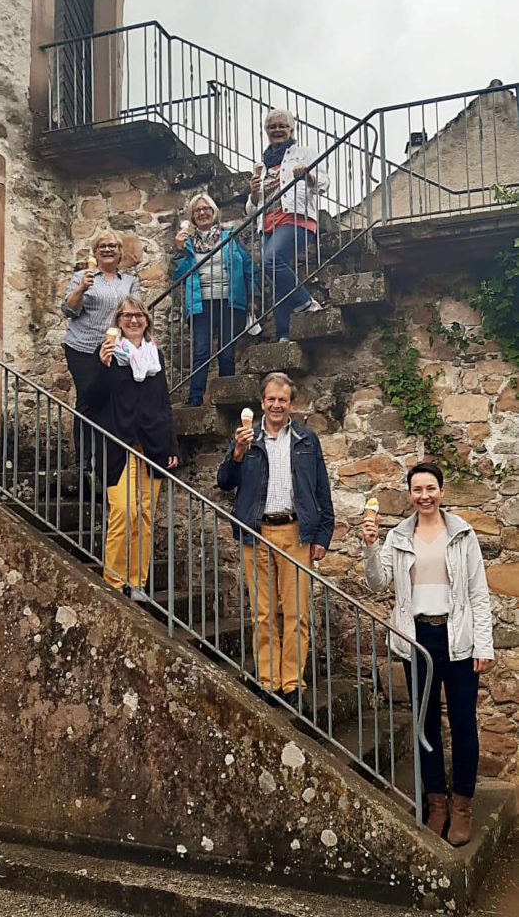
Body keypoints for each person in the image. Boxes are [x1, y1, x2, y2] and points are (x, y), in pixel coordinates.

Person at [362, 462, 494, 847]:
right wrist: (370, 546)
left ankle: (462, 806)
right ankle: (436, 803)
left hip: (457, 638)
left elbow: (478, 594)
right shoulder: (399, 537)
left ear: (441, 491)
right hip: (417, 640)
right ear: (410, 494)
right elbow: (377, 583)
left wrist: (483, 645)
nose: (425, 495)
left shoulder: (462, 534)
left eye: (430, 488)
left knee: (463, 722)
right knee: (426, 725)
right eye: (417, 489)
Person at [217, 372, 334, 714]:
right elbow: (224, 481)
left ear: (291, 403)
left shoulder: (307, 440)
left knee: (297, 613)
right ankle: (268, 681)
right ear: (262, 402)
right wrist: (238, 452)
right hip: (256, 533)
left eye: (283, 399)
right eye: (271, 399)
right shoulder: (247, 438)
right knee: (263, 612)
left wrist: (323, 535)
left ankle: (292, 684)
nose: (277, 405)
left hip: (296, 532)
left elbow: (321, 490)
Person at [88, 296, 178, 600]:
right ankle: (113, 582)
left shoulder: (156, 356)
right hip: (118, 443)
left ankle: (138, 581)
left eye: (139, 315)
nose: (134, 320)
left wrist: (172, 445)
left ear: (146, 320)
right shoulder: (108, 354)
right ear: (118, 321)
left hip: (152, 443)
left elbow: (163, 402)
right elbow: (91, 400)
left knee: (145, 515)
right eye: (127, 316)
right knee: (124, 510)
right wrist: (102, 366)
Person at [246, 109, 328, 342]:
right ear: (266, 131)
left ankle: (306, 301)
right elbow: (251, 210)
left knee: (270, 261)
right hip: (267, 224)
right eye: (272, 127)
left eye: (282, 126)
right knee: (275, 278)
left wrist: (307, 175)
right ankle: (284, 333)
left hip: (295, 218)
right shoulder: (261, 165)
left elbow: (323, 183)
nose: (277, 130)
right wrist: (253, 193)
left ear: (292, 129)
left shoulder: (304, 154)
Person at [62, 230, 140, 467]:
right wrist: (81, 289)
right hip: (83, 348)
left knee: (110, 400)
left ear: (119, 252)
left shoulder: (129, 282)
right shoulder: (83, 277)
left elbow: (136, 311)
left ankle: (106, 457)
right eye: (102, 246)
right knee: (87, 398)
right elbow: (68, 310)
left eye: (112, 246)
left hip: (114, 349)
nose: (107, 250)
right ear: (95, 253)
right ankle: (84, 460)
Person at [171, 193, 257, 406]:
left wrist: (252, 296)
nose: (202, 213)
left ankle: (227, 396)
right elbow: (178, 276)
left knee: (227, 352)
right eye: (197, 210)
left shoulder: (230, 236)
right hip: (201, 304)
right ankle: (195, 399)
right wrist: (180, 252)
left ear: (214, 212)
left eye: (206, 208)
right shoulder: (188, 244)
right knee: (201, 351)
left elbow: (248, 265)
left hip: (230, 301)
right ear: (192, 217)